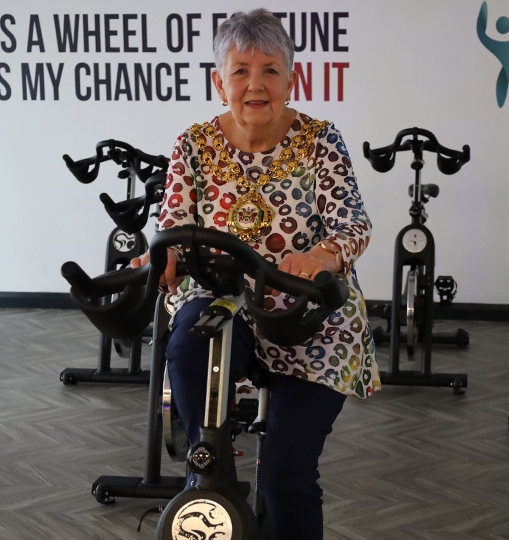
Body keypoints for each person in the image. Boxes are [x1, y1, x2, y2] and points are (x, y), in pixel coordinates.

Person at [132, 8, 379, 540]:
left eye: (270, 70)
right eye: (240, 70)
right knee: (189, 344)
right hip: (226, 304)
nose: (255, 84)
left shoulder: (320, 139)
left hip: (308, 313)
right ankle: (214, 464)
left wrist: (324, 255)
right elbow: (173, 221)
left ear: (292, 80)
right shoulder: (193, 143)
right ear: (219, 82)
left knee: (286, 475)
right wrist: (164, 255)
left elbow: (353, 223)